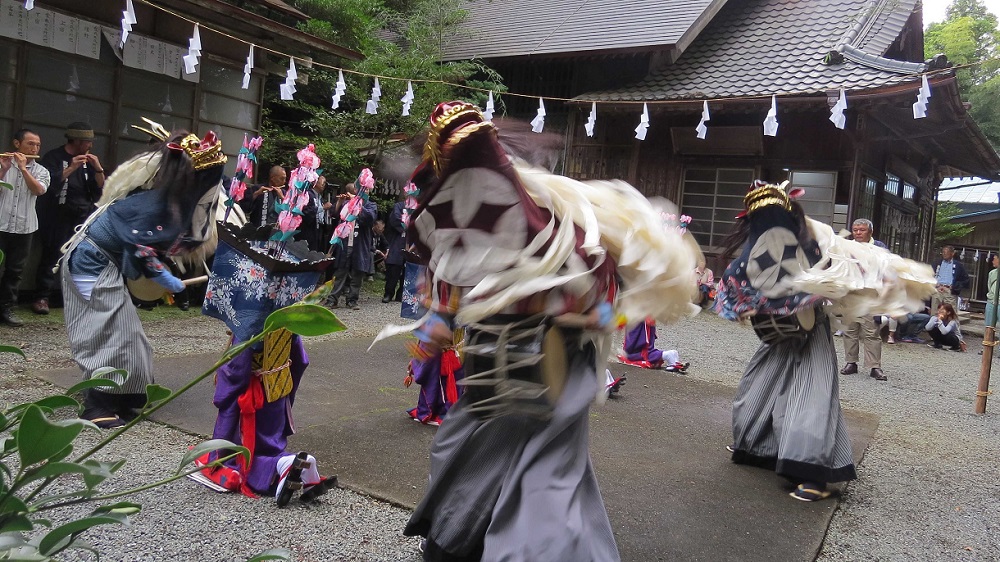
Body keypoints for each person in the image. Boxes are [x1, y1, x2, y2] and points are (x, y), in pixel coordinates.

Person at [399, 102, 625, 560]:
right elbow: (449, 285)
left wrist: (584, 315)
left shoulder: (561, 224)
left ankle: (503, 548)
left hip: (548, 365)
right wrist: (440, 321)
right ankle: (459, 538)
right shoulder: (467, 214)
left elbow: (601, 299)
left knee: (538, 474)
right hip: (492, 362)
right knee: (465, 449)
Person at [61, 129, 225, 428]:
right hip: (90, 263)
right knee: (109, 332)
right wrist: (163, 277)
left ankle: (126, 397)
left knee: (130, 336)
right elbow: (142, 248)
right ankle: (98, 407)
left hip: (99, 262)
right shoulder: (155, 202)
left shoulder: (163, 199)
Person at [716, 179, 857, 502]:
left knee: (811, 395)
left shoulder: (811, 242)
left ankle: (813, 474)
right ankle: (761, 448)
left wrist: (813, 289)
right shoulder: (760, 248)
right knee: (758, 387)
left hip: (810, 331)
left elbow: (831, 279)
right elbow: (744, 280)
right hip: (780, 335)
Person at [35, 122, 105, 314]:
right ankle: (42, 297)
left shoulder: (88, 161)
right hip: (58, 215)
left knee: (78, 258)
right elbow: (46, 184)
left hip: (83, 214)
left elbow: (101, 187)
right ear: (76, 141)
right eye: (86, 142)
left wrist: (98, 168)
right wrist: (72, 167)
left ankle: (72, 298)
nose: (90, 145)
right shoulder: (55, 157)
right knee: (52, 256)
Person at [0, 129, 50, 326]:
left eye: (37, 145)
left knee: (15, 270)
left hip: (24, 227)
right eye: (30, 143)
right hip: (1, 223)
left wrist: (23, 169)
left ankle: (6, 309)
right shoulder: (3, 163)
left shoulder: (41, 171)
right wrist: (3, 170)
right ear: (17, 144)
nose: (34, 148)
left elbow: (38, 190)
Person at [839, 218, 888, 381]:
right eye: (855, 230)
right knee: (850, 329)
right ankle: (851, 362)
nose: (858, 233)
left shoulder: (879, 247)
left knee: (871, 331)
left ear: (870, 231)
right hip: (851, 293)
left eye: (862, 230)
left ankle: (874, 366)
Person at [328, 181, 377, 310]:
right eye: (362, 189)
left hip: (360, 243)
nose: (364, 192)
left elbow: (369, 218)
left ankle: (352, 300)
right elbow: (335, 214)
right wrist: (340, 202)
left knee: (357, 274)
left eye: (366, 190)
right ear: (356, 189)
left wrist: (357, 204)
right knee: (340, 272)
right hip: (345, 242)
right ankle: (332, 299)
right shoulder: (347, 202)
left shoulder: (371, 205)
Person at [618, 317, 689, 372]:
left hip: (638, 313)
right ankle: (671, 356)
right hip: (644, 313)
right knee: (644, 349)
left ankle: (667, 355)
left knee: (634, 354)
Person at [930, 245, 969, 311]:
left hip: (949, 290)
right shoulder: (937, 263)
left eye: (946, 252)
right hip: (938, 289)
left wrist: (955, 286)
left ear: (952, 253)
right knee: (935, 312)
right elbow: (930, 274)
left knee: (950, 313)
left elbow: (966, 279)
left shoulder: (958, 265)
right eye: (943, 252)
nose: (944, 254)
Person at [382, 197, 406, 303]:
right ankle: (388, 293)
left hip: (411, 240)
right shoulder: (399, 206)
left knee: (407, 270)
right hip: (397, 239)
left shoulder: (418, 207)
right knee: (394, 269)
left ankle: (401, 294)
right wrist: (407, 225)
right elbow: (395, 219)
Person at [986, 254, 999, 330]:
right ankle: (988, 341)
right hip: (991, 301)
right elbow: (989, 286)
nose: (992, 261)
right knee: (989, 327)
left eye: (994, 259)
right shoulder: (992, 273)